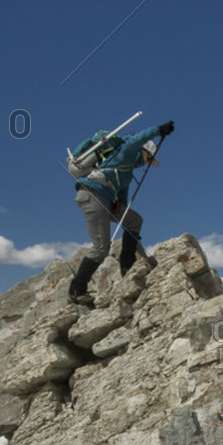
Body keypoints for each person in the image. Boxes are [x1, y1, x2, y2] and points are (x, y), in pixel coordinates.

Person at [67, 119, 174, 306]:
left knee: (133, 220)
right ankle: (76, 290)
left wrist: (120, 208)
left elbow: (122, 195)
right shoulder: (127, 152)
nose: (150, 162)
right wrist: (158, 130)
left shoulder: (127, 170)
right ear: (145, 151)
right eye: (151, 157)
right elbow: (135, 139)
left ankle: (127, 264)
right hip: (92, 195)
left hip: (105, 199)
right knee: (101, 248)